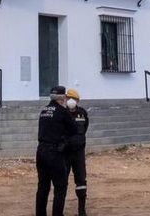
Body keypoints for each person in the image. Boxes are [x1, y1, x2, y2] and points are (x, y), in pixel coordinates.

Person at [36, 85, 79, 216]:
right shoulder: (62, 111)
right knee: (60, 187)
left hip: (41, 151)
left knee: (43, 186)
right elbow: (74, 130)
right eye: (65, 97)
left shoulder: (43, 110)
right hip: (54, 152)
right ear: (62, 98)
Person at [65, 88, 90, 216]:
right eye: (68, 97)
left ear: (77, 101)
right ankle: (59, 210)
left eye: (73, 99)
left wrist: (78, 142)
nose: (70, 100)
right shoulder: (62, 113)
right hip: (65, 153)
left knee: (81, 180)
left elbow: (85, 129)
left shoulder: (82, 113)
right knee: (62, 181)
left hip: (78, 153)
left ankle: (82, 211)